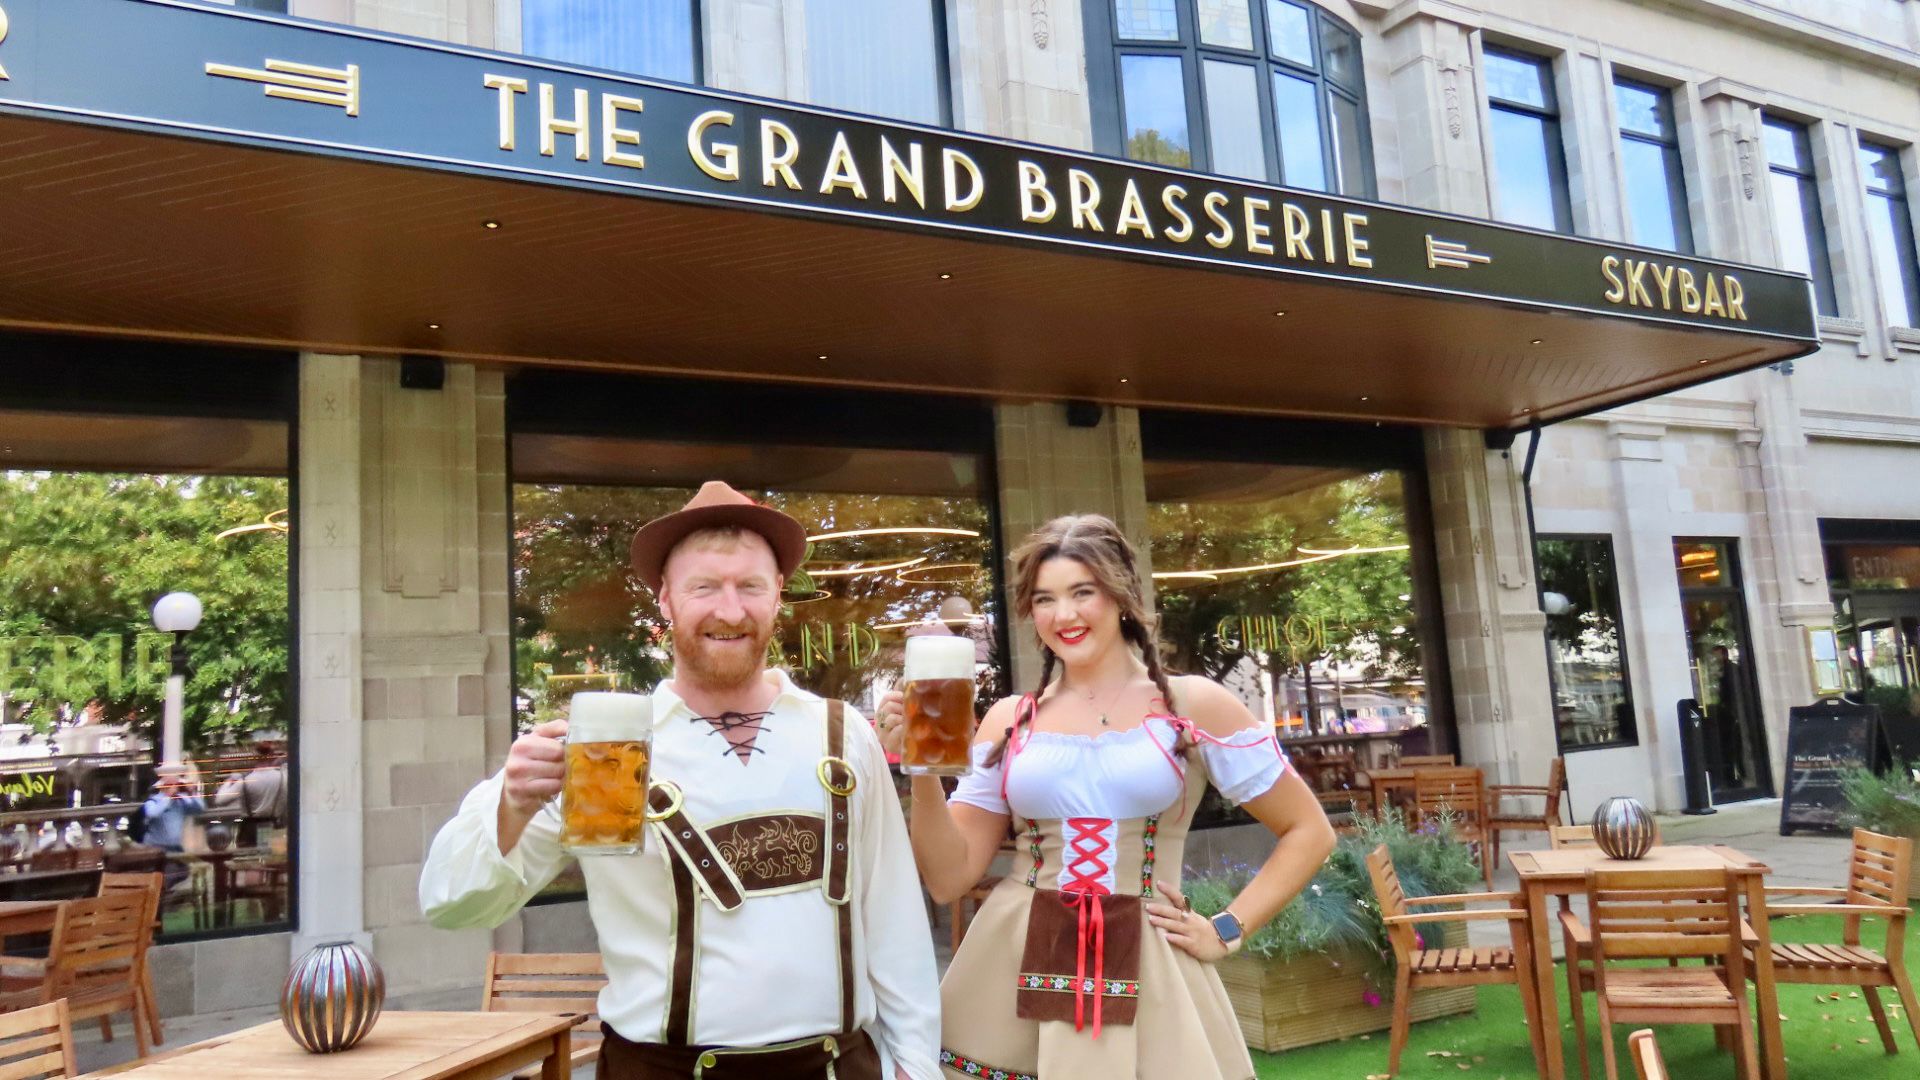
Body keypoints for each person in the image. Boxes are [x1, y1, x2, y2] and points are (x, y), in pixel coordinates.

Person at [420, 481, 939, 1080]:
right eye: (704, 587)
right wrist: (510, 805)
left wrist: (917, 1064)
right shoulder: (603, 748)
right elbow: (451, 904)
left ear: (778, 599)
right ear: (665, 600)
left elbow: (894, 917)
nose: (730, 609)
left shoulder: (843, 732)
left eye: (751, 586)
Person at [875, 514, 1336, 1080]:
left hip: (1150, 962)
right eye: (1044, 599)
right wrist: (921, 770)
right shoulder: (1010, 719)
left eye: (1082, 592)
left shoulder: (1191, 705)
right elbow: (948, 879)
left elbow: (1310, 831)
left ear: (1120, 595)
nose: (1063, 615)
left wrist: (1227, 927)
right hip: (1016, 958)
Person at [143, 771, 204, 891]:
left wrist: (192, 792)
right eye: (171, 785)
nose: (175, 788)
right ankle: (161, 893)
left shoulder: (181, 802)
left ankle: (163, 893)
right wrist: (167, 797)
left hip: (175, 851)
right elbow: (152, 813)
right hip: (155, 850)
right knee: (164, 875)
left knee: (182, 872)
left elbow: (199, 809)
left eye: (176, 785)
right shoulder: (153, 801)